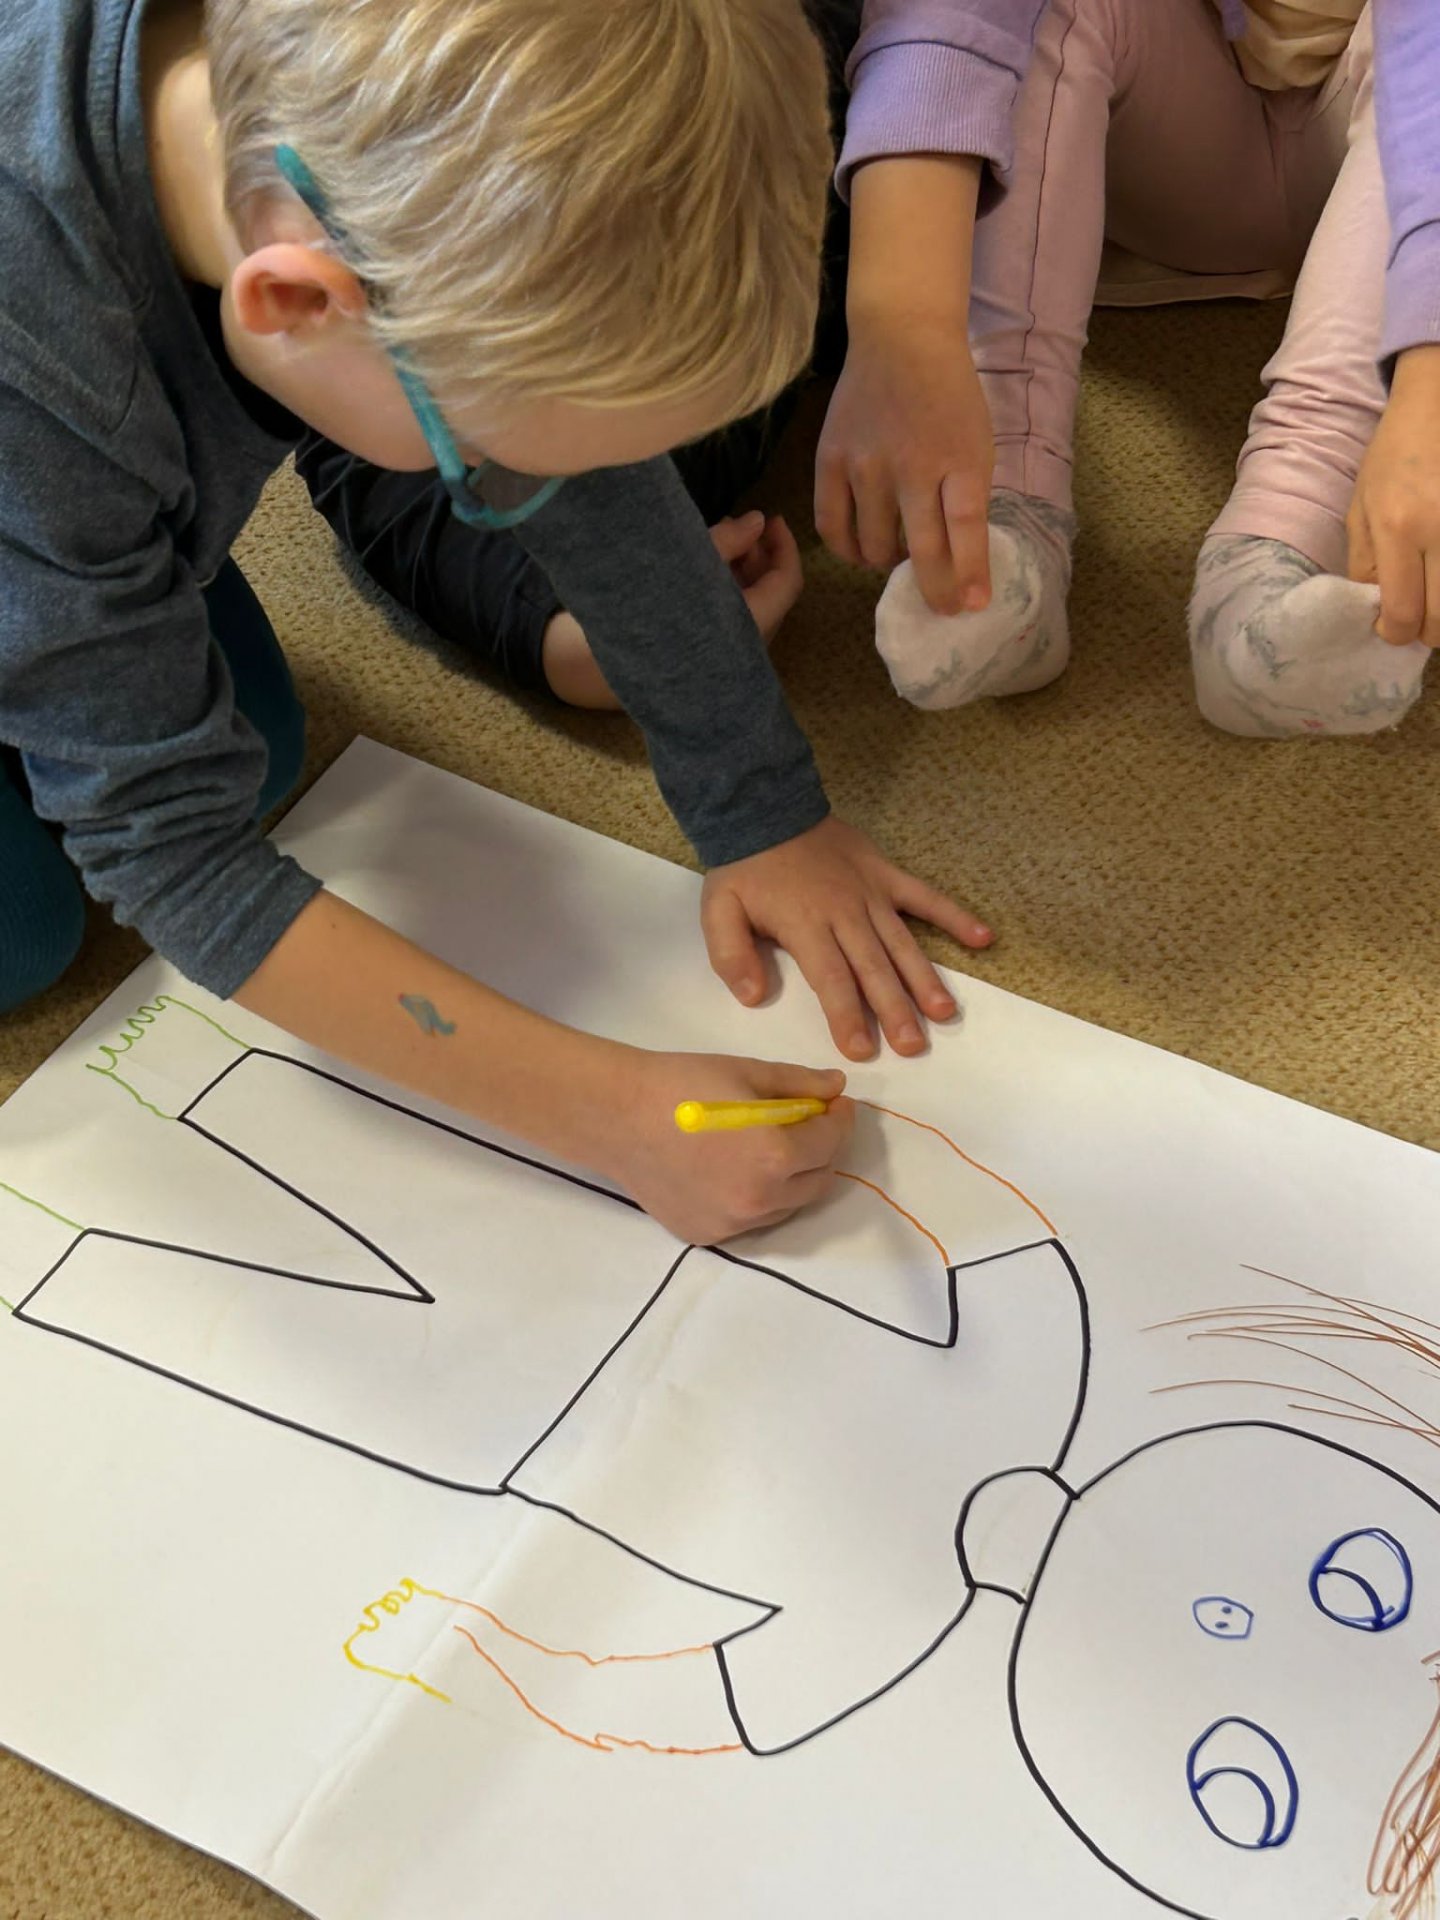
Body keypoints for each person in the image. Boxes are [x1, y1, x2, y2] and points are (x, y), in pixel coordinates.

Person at [0, 0, 992, 1249]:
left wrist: (760, 807)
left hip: (61, 475)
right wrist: (610, 1116)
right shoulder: (45, 371)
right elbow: (172, 851)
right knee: (27, 929)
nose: (525, 489)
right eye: (491, 466)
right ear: (293, 303)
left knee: (254, 738)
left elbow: (590, 472)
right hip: (39, 439)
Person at [819, 0, 1440, 738]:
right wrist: (900, 324)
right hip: (1179, 129)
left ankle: (1293, 537)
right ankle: (1006, 513)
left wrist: (1427, 389)